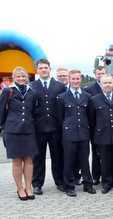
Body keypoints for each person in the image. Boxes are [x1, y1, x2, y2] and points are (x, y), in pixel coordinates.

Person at [0, 67, 39, 200]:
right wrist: (4, 127)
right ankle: (20, 188)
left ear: (27, 78)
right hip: (13, 131)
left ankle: (28, 187)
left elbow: (34, 110)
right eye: (18, 76)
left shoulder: (32, 92)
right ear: (14, 78)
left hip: (28, 130)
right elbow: (1, 112)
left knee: (29, 159)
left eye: (23, 76)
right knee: (17, 161)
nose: (21, 79)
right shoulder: (7, 91)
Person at [56, 69, 96, 197]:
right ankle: (70, 185)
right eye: (73, 79)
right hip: (69, 134)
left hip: (84, 132)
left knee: (84, 160)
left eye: (77, 78)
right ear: (69, 79)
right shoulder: (62, 97)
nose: (75, 81)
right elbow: (60, 117)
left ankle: (87, 184)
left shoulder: (87, 96)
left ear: (81, 79)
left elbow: (90, 116)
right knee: (69, 160)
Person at [31, 58, 66, 195]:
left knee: (58, 157)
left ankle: (60, 182)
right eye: (41, 68)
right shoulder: (32, 86)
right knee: (38, 158)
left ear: (50, 69)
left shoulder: (59, 86)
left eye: (46, 67)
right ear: (37, 70)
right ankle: (37, 184)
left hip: (56, 127)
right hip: (38, 128)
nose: (44, 70)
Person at [84, 65, 107, 185]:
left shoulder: (110, 87)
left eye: (103, 73)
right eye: (99, 74)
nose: (101, 75)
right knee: (96, 153)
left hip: (108, 127)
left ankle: (108, 175)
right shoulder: (89, 90)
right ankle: (96, 176)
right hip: (96, 128)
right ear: (95, 75)